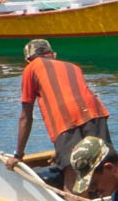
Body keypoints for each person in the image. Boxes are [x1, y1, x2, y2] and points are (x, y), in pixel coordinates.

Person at [7, 39, 112, 192]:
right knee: (103, 164)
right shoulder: (73, 67)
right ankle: (111, 200)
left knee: (72, 175)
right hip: (96, 113)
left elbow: (26, 116)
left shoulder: (31, 68)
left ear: (28, 60)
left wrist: (18, 155)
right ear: (53, 55)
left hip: (65, 119)